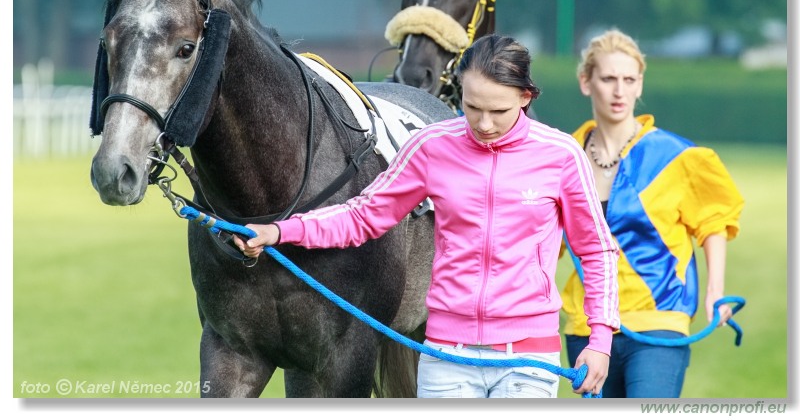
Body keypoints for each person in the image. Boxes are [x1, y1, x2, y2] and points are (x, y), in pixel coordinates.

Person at [237, 34, 620, 398]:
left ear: (525, 96)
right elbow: (364, 215)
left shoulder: (560, 155)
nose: (484, 124)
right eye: (472, 108)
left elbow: (597, 251)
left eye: (498, 111)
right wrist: (279, 231)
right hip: (445, 356)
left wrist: (600, 340)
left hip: (528, 359)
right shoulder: (431, 146)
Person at [560, 28, 745, 398]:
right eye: (608, 78)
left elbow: (712, 223)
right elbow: (540, 238)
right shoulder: (563, 158)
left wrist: (715, 290)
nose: (619, 91)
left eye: (629, 80)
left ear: (639, 84)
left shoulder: (675, 156)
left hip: (660, 320)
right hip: (588, 325)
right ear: (586, 81)